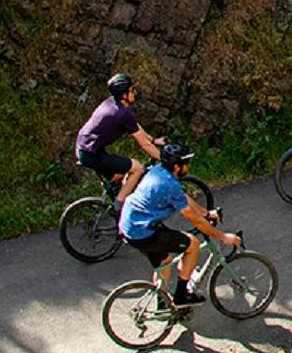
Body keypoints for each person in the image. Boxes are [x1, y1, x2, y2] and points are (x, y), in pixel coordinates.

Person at [118, 141, 237, 305]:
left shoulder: (158, 171)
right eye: (186, 164)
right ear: (177, 167)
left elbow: (184, 198)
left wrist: (206, 213)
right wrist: (223, 237)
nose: (188, 167)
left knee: (165, 260)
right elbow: (194, 220)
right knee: (193, 244)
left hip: (130, 225)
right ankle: (182, 295)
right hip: (143, 231)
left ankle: (162, 302)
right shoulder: (168, 185)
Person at [75, 72, 163, 204]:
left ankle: (117, 197)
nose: (134, 92)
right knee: (138, 168)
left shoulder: (112, 103)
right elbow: (144, 146)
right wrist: (164, 159)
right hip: (91, 154)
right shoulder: (122, 113)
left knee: (121, 175)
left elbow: (136, 127)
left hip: (85, 148)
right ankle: (119, 204)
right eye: (131, 90)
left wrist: (153, 140)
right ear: (124, 95)